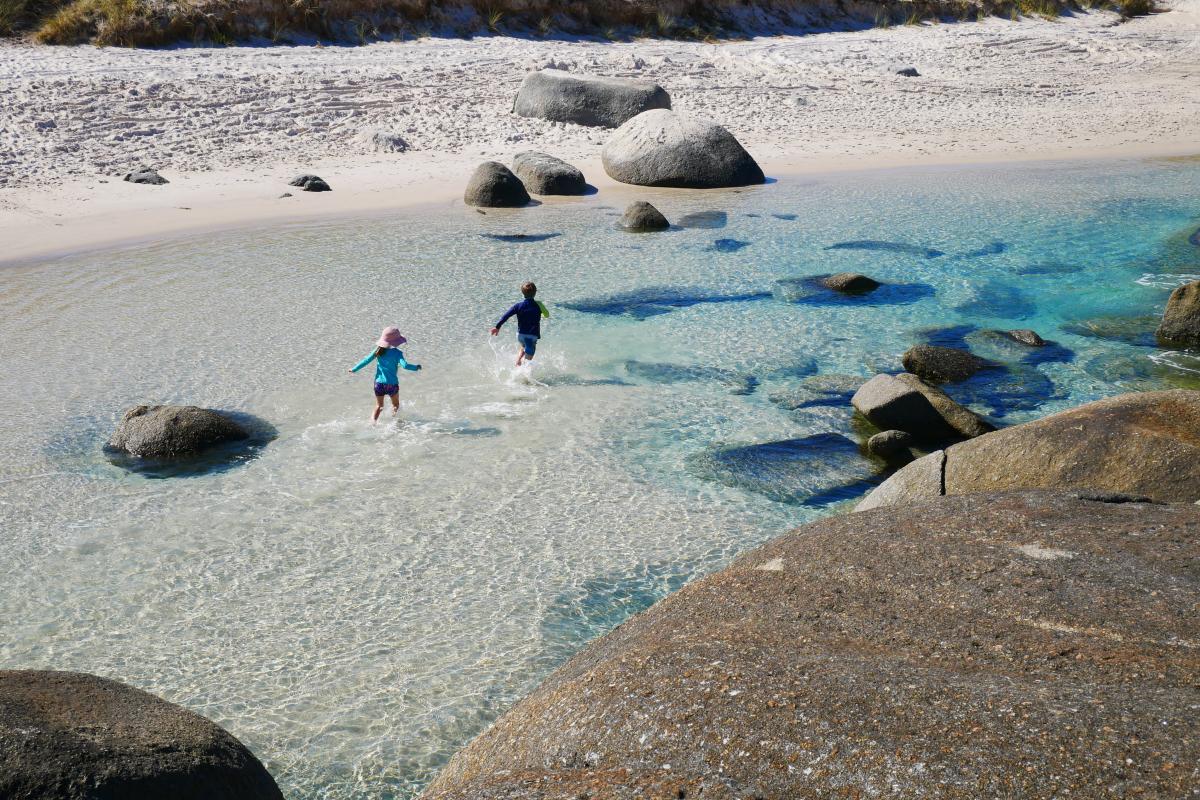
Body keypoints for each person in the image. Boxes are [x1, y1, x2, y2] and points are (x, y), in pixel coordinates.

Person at [349, 326, 421, 422]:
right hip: (392, 384)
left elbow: (366, 360)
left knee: (379, 406)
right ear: (397, 341)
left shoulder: (378, 350)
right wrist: (416, 367)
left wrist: (354, 369)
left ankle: (372, 423)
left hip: (378, 384)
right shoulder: (397, 353)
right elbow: (405, 366)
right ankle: (394, 422)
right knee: (395, 405)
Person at [490, 281, 549, 366]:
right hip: (532, 336)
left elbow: (506, 316)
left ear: (522, 293)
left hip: (520, 335)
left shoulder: (518, 305)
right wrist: (541, 313)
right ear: (535, 292)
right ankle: (524, 373)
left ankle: (518, 360)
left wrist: (497, 327)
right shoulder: (538, 304)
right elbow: (547, 315)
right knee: (529, 359)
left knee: (523, 346)